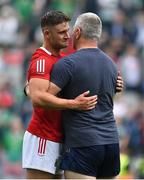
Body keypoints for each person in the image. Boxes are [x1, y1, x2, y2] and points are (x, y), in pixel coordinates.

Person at [30, 12, 122, 179]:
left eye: (70, 31)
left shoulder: (68, 63)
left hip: (83, 143)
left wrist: (28, 89)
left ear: (78, 32)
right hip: (111, 143)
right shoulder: (112, 65)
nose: (68, 35)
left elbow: (42, 97)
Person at [22, 10, 98, 179]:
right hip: (43, 137)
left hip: (59, 138)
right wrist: (74, 104)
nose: (67, 36)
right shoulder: (42, 60)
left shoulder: (62, 59)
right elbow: (38, 98)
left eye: (67, 30)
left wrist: (115, 81)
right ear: (47, 34)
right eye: (61, 32)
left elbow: (31, 90)